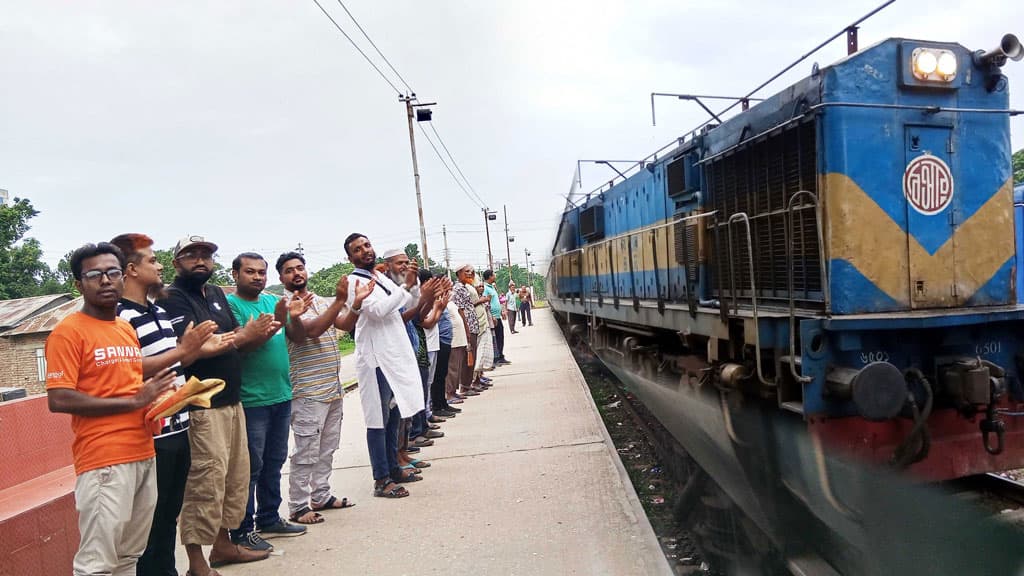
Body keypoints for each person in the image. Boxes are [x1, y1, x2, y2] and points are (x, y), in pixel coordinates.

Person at [46, 242, 176, 576]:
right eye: (94, 274)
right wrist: (135, 401)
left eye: (112, 272)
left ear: (122, 277)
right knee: (97, 564)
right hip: (104, 460)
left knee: (128, 557)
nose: (105, 280)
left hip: (143, 452)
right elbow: (58, 398)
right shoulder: (68, 332)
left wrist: (160, 400)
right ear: (79, 284)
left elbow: (130, 385)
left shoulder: (124, 328)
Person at [157, 236, 280, 575]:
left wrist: (258, 331)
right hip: (200, 405)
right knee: (204, 483)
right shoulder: (172, 298)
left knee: (233, 478)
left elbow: (232, 336)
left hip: (231, 400)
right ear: (175, 261)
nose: (200, 260)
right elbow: (195, 347)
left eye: (206, 255)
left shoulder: (214, 294)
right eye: (191, 254)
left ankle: (224, 545)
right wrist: (241, 336)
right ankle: (197, 563)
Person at [111, 233, 230, 576]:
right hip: (151, 436)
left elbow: (175, 362)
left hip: (179, 426)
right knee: (150, 522)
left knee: (167, 517)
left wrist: (203, 346)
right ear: (131, 269)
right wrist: (184, 349)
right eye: (151, 260)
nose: (159, 264)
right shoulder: (120, 319)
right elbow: (128, 368)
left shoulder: (158, 312)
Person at [343, 233, 440, 497]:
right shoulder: (354, 281)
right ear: (350, 257)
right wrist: (407, 287)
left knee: (395, 414)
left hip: (393, 358)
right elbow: (377, 311)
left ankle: (394, 468)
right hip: (376, 361)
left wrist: (417, 289)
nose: (365, 251)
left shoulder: (379, 277)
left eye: (367, 245)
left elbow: (405, 303)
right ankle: (381, 478)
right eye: (358, 249)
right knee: (378, 419)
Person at [226, 253, 309, 546]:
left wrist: (293, 317)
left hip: (281, 394)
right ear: (235, 274)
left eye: (261, 272)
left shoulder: (270, 301)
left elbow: (297, 337)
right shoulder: (231, 306)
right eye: (250, 272)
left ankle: (269, 518)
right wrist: (277, 318)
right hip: (251, 399)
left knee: (275, 460)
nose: (258, 277)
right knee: (250, 467)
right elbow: (243, 345)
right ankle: (242, 529)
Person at [276, 252, 362, 525]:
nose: (296, 273)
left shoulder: (321, 301)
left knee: (327, 448)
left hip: (332, 389)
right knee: (306, 451)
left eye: (300, 268)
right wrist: (339, 301)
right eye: (289, 270)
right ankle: (298, 506)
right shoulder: (285, 306)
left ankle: (321, 495)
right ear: (281, 278)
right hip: (308, 393)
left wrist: (355, 304)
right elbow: (310, 332)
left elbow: (345, 324)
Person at [451, 264, 490, 395]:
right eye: (466, 272)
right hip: (467, 326)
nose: (470, 274)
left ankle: (467, 385)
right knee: (467, 358)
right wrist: (466, 330)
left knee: (471, 356)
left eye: (471, 272)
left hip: (473, 326)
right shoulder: (458, 289)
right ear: (458, 274)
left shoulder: (465, 287)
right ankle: (465, 387)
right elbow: (460, 310)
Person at [482, 270, 509, 365]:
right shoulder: (485, 288)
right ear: (490, 276)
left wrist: (501, 311)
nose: (495, 276)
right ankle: (495, 358)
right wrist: (491, 315)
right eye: (494, 274)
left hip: (497, 316)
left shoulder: (492, 287)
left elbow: (496, 301)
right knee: (495, 337)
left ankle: (500, 356)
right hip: (492, 317)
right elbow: (486, 302)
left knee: (500, 336)